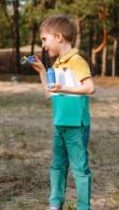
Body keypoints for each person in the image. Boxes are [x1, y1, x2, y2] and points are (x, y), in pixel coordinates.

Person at [29, 15, 96, 210]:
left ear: (58, 37)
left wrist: (64, 88)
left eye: (44, 39)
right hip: (59, 124)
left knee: (79, 168)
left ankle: (83, 207)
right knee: (57, 166)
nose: (43, 45)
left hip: (76, 125)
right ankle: (55, 204)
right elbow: (50, 92)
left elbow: (90, 88)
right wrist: (42, 71)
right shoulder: (56, 64)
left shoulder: (76, 61)